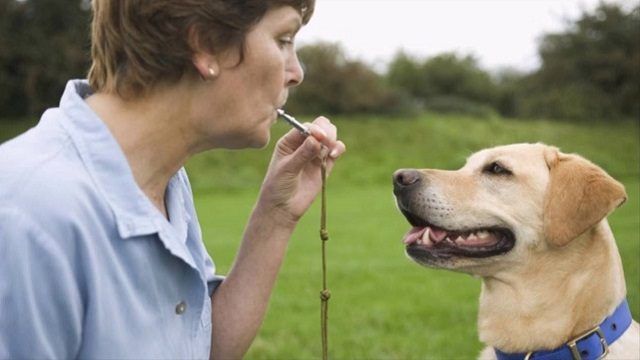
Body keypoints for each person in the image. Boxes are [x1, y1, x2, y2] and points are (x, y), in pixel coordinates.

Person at [0, 0, 345, 358]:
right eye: (283, 38)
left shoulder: (163, 183)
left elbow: (199, 348)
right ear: (205, 45)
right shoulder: (26, 214)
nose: (296, 72)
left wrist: (276, 216)